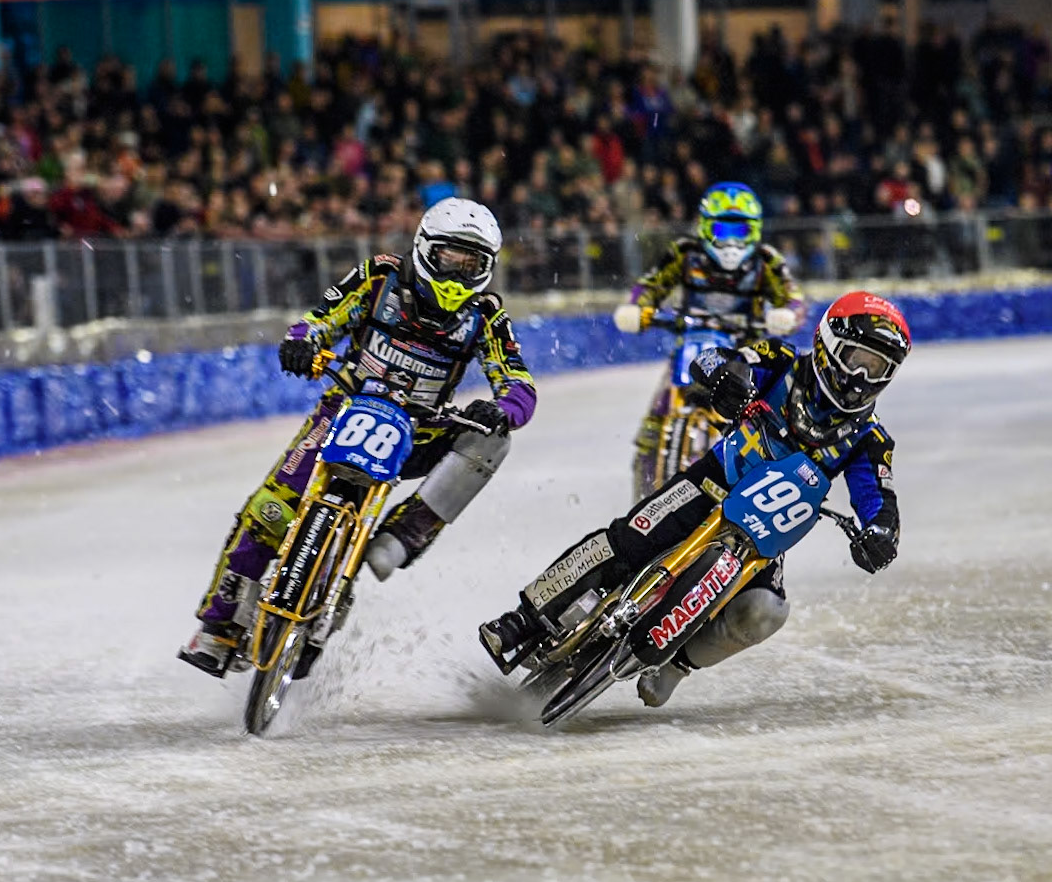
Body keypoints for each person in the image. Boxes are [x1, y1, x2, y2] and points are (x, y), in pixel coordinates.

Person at [480, 291, 910, 708]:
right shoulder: (780, 362)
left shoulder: (869, 439)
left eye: (878, 370)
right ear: (830, 345)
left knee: (764, 611)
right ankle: (525, 620)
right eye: (859, 361)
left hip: (764, 534)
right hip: (709, 483)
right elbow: (718, 359)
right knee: (628, 540)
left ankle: (677, 665)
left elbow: (879, 498)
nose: (861, 379)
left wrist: (881, 533)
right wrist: (726, 377)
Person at [180, 197, 537, 675]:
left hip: (422, 428)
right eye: (450, 258)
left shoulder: (487, 315)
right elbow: (320, 318)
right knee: (267, 512)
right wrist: (302, 342)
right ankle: (217, 627)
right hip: (346, 408)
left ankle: (408, 529)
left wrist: (503, 407)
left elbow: (518, 380)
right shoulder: (379, 276)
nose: (456, 274)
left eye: (471, 263)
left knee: (494, 440)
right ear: (426, 249)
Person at [616, 182, 804, 493]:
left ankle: (759, 482)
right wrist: (638, 307)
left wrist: (787, 315)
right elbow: (651, 284)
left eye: (740, 231)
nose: (731, 242)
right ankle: (645, 484)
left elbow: (792, 297)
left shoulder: (766, 262)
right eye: (721, 228)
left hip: (745, 353)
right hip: (690, 343)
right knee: (656, 418)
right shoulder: (685, 254)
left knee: (762, 419)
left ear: (755, 231)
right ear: (705, 227)